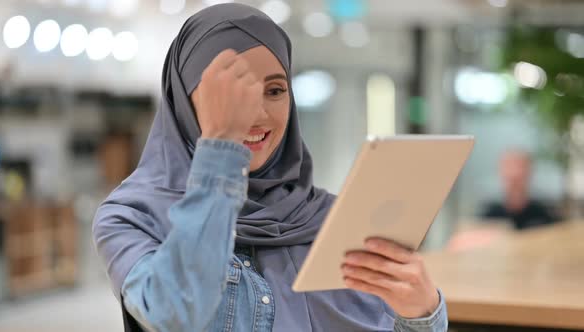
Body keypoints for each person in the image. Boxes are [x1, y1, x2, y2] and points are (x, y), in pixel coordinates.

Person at [92, 4, 447, 331]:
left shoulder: (331, 218)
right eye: (233, 93)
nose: (257, 114)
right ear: (182, 100)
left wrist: (422, 312)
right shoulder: (132, 216)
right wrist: (221, 148)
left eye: (274, 91)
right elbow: (175, 313)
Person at [481, 150, 559, 230]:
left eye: (520, 167)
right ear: (500, 173)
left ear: (530, 172)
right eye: (509, 167)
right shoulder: (489, 215)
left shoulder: (545, 211)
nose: (515, 173)